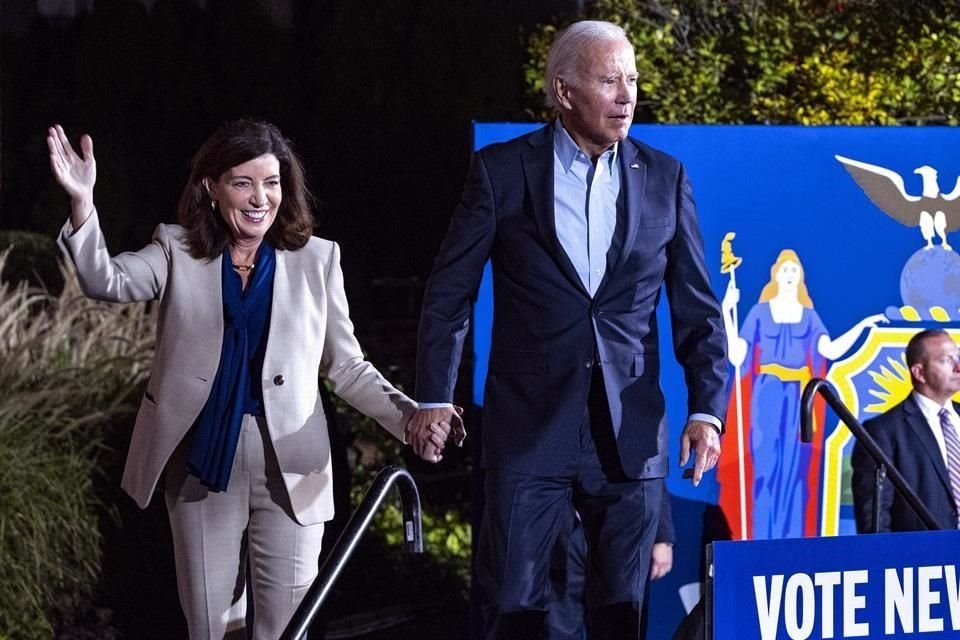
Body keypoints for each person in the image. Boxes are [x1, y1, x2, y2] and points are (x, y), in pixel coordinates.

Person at [48, 120, 455, 639]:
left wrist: (411, 416)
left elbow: (346, 366)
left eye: (273, 182)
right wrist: (83, 203)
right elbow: (107, 280)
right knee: (208, 626)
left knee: (288, 628)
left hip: (295, 463)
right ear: (210, 188)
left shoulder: (317, 260)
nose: (260, 198)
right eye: (243, 182)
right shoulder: (177, 249)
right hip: (201, 461)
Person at [406, 20, 728, 639]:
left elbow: (699, 311)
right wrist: (435, 396)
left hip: (630, 435)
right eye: (610, 81)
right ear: (564, 91)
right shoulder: (501, 171)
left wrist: (707, 412)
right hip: (528, 428)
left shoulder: (666, 177)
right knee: (518, 611)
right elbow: (450, 292)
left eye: (632, 80)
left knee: (619, 616)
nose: (627, 95)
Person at [718, 249, 885, 539]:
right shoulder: (759, 313)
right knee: (767, 467)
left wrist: (863, 326)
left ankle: (790, 538)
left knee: (795, 471)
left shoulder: (808, 316)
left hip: (799, 400)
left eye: (794, 270)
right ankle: (763, 538)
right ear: (775, 274)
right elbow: (737, 356)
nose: (789, 275)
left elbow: (828, 350)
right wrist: (726, 310)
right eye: (785, 270)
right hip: (768, 396)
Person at [852, 328, 960, 533]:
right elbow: (875, 521)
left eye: (958, 357)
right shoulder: (882, 432)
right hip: (926, 560)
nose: (958, 367)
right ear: (919, 372)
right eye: (947, 360)